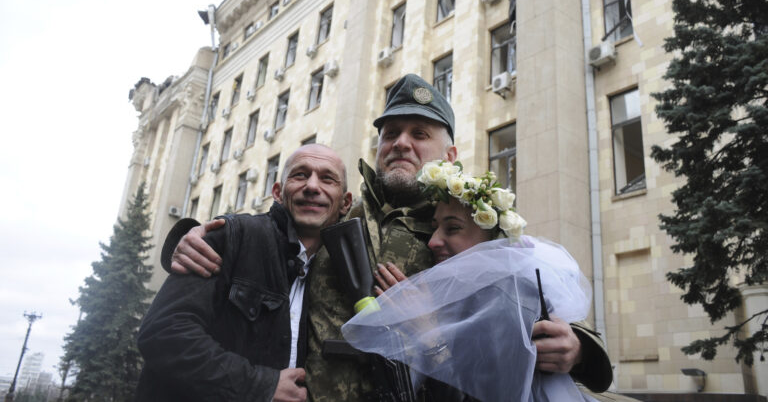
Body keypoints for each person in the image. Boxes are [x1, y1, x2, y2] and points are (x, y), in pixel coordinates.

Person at [167, 74, 613, 400]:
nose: (401, 142)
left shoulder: (471, 226)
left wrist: (578, 348)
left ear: (450, 154)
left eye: (420, 133)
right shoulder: (337, 210)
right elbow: (266, 233)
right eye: (391, 133)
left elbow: (532, 291)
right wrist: (191, 238)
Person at [357, 161, 598, 401]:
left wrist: (428, 335)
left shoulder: (505, 302)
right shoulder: (469, 291)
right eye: (434, 228)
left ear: (491, 240)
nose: (432, 241)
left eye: (452, 229)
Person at [135, 144, 352, 402]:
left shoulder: (341, 270)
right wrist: (261, 386)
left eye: (327, 178)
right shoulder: (229, 237)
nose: (313, 186)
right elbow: (162, 333)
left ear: (345, 202)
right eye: (300, 175)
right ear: (278, 192)